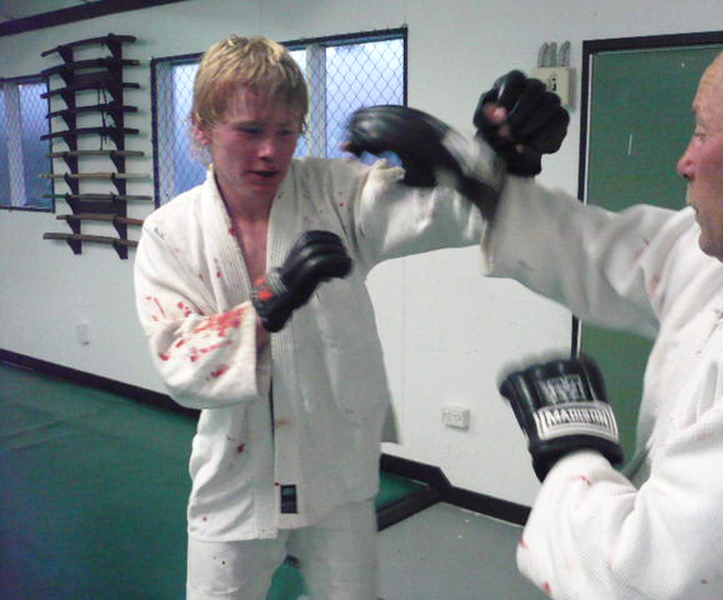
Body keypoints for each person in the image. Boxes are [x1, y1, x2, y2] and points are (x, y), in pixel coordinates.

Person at [132, 34, 567, 600]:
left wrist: (500, 156)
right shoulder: (170, 232)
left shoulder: (333, 192)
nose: (270, 151)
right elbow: (178, 364)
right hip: (235, 480)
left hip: (336, 469)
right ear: (201, 127)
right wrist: (270, 300)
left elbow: (449, 213)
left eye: (286, 131)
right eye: (250, 130)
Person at [471, 15, 723, 599]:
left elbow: (646, 579)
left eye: (701, 132)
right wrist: (502, 173)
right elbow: (597, 250)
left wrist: (573, 450)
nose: (684, 161)